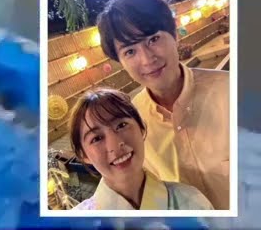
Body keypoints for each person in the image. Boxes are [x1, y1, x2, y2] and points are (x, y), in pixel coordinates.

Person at [96, 0, 231, 210]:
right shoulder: (131, 123)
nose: (147, 59)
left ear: (175, 34)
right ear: (120, 61)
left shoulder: (232, 91)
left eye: (153, 39)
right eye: (130, 51)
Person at [68, 88, 215, 212]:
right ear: (83, 155)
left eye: (121, 125)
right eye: (97, 138)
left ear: (141, 128)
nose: (115, 145)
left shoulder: (192, 202)